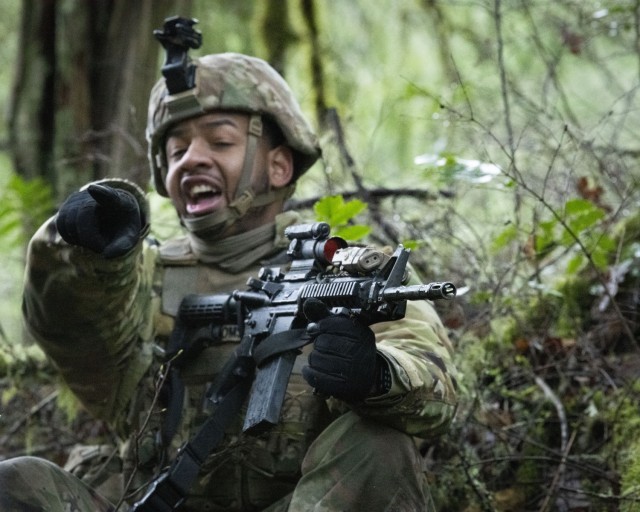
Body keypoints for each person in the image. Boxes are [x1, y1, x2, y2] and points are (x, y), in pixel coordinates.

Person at [0, 43, 458, 511]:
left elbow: (437, 387)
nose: (192, 160)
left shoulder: (353, 270)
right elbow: (66, 322)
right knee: (18, 483)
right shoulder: (134, 280)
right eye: (176, 151)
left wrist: (378, 375)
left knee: (377, 447)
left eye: (219, 142)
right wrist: (79, 247)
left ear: (279, 165)